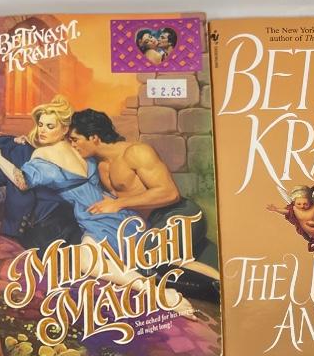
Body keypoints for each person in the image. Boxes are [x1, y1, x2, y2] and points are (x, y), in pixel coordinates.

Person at [68, 108, 220, 298]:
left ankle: (215, 289)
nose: (72, 145)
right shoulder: (98, 165)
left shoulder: (135, 152)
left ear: (94, 137)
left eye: (75, 140)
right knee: (153, 262)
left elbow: (170, 193)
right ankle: (217, 284)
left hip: (177, 214)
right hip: (151, 226)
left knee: (144, 262)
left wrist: (119, 203)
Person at [0, 100, 81, 251]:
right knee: (18, 150)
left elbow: (22, 182)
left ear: (64, 129)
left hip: (55, 226)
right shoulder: (57, 148)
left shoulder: (47, 152)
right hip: (58, 220)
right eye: (40, 125)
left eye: (50, 126)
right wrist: (15, 141)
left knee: (17, 154)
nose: (42, 130)